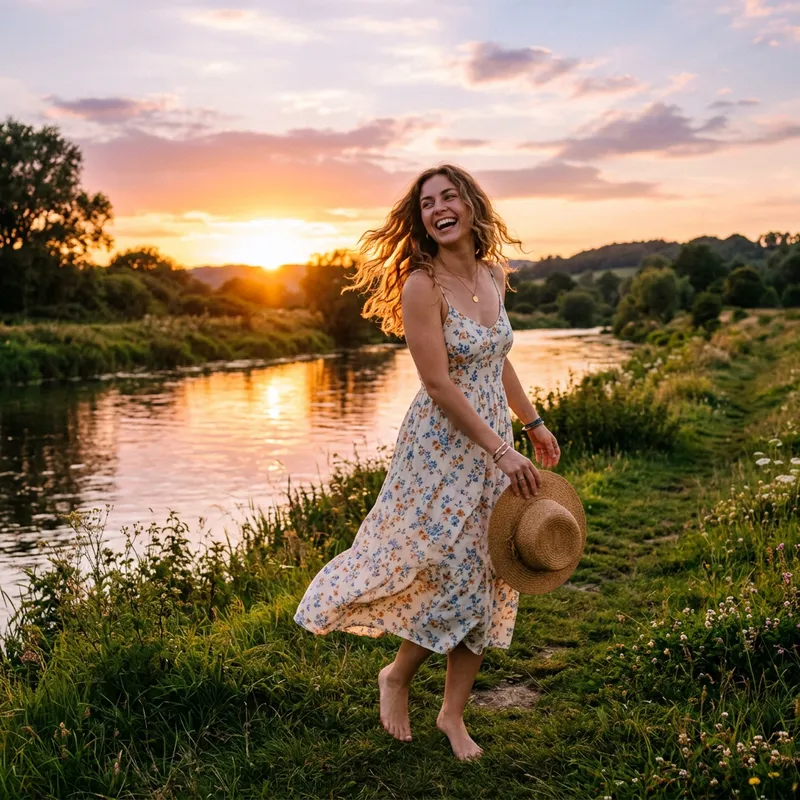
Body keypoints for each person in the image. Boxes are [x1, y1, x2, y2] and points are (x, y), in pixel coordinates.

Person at [294, 164, 561, 761]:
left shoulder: (491, 274)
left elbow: (497, 360)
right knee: (441, 566)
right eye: (427, 203)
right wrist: (502, 448)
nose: (439, 207)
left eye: (449, 196)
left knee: (490, 572)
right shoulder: (423, 285)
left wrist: (533, 423)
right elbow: (439, 384)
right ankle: (397, 676)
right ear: (420, 220)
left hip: (494, 440)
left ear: (470, 204)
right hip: (442, 449)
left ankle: (452, 715)